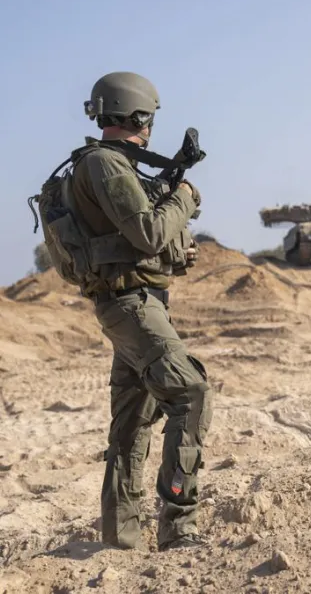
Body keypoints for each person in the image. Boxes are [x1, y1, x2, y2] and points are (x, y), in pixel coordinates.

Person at [49, 71, 212, 551]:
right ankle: (179, 525)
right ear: (140, 114)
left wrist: (177, 244)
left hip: (133, 303)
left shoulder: (104, 163)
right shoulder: (106, 164)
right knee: (190, 393)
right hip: (133, 307)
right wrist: (184, 198)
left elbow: (134, 242)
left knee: (131, 423)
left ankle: (121, 538)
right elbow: (148, 232)